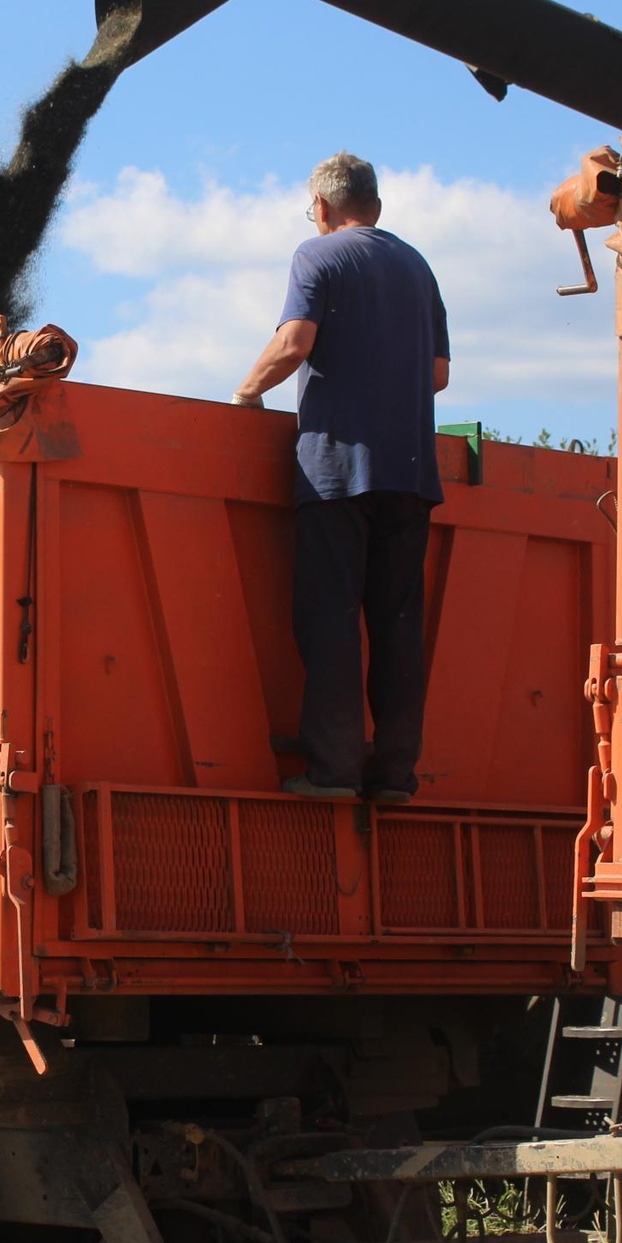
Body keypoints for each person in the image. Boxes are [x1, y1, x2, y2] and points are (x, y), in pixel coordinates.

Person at [232, 153, 449, 802]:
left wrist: (246, 394)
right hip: (410, 474)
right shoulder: (417, 266)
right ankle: (395, 776)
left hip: (335, 470)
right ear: (375, 206)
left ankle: (333, 769)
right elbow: (437, 375)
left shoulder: (317, 256)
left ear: (323, 208)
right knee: (396, 625)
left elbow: (295, 342)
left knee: (330, 618)